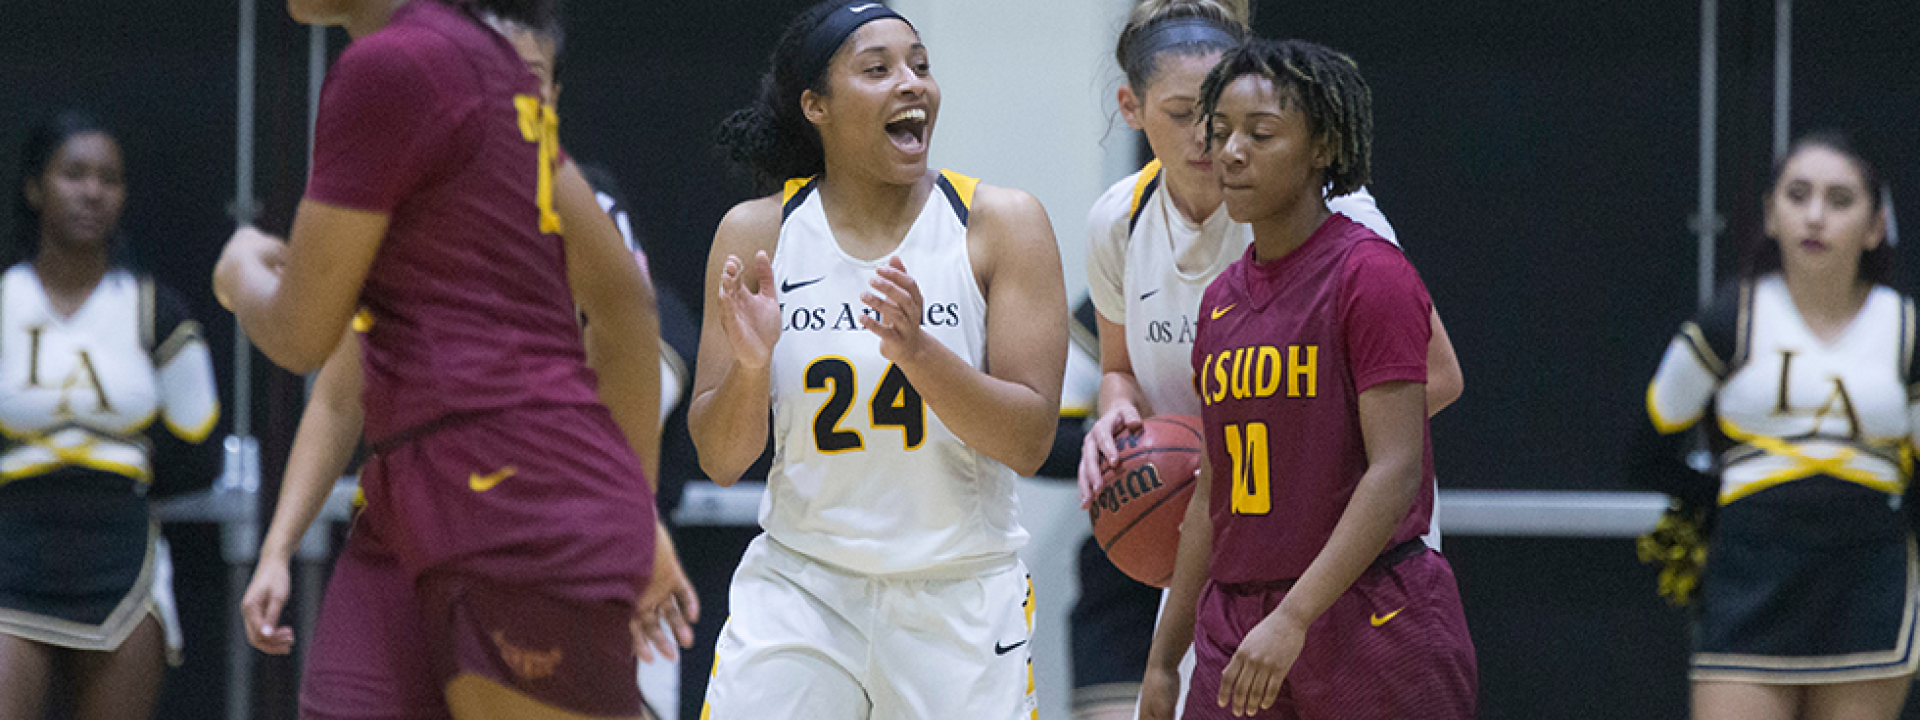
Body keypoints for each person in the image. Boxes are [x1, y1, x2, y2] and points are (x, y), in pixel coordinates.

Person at [213, 0, 689, 716]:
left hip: (517, 495)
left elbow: (300, 334)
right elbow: (626, 306)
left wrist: (240, 272)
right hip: (410, 500)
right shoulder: (482, 69)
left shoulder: (396, 66)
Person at [1075, 4, 1464, 718]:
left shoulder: (1350, 241)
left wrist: (1271, 465)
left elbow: (1434, 383)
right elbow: (1122, 370)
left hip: (1359, 572)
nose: (1212, 142)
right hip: (1224, 564)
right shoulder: (1130, 229)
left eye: (1234, 121)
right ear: (1132, 108)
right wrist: (1120, 415)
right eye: (1193, 117)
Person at [690, 1, 1068, 717]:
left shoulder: (1000, 225)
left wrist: (919, 352)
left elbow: (1029, 440)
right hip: (803, 586)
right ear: (816, 106)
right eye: (878, 68)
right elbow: (720, 459)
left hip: (957, 593)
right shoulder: (759, 231)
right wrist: (748, 364)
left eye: (921, 66)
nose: (912, 83)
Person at [1639, 130, 1914, 720]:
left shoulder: (1905, 329)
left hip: (1870, 584)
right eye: (1797, 194)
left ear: (1874, 225)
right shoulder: (1727, 319)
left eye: (1840, 200)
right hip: (1749, 583)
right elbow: (1647, 452)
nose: (1816, 215)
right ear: (1770, 214)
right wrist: (1724, 506)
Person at [0, 111, 219, 720]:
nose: (92, 192)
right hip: (9, 550)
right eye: (73, 174)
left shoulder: (158, 310)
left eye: (109, 178)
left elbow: (199, 449)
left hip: (123, 560)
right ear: (34, 187)